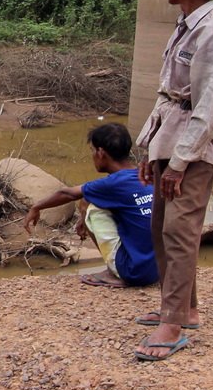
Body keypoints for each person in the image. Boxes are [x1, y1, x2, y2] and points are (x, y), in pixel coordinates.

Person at [133, 0, 213, 361]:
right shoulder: (187, 25)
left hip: (194, 147)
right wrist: (152, 150)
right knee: (164, 226)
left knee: (179, 232)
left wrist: (180, 162)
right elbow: (170, 97)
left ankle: (172, 325)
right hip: (172, 134)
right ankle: (184, 308)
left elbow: (209, 104)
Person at [23, 123, 158, 289]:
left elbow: (68, 193)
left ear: (101, 153)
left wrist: (36, 207)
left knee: (89, 203)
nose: (93, 155)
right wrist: (82, 219)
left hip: (135, 272)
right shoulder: (144, 176)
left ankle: (114, 271)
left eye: (92, 151)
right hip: (161, 269)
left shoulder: (113, 183)